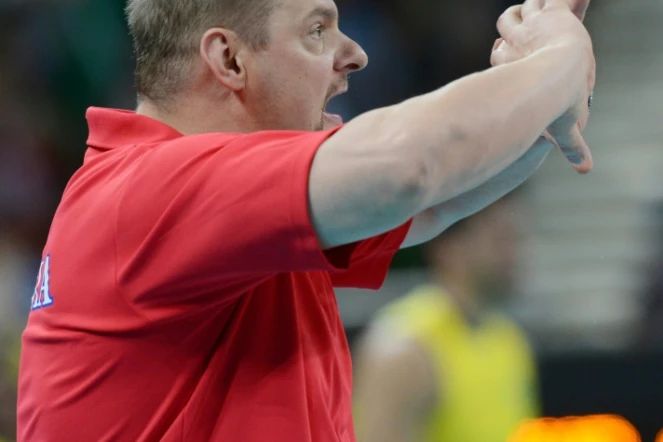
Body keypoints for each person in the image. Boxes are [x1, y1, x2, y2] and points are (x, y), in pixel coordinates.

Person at [17, 0, 596, 440]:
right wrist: (559, 58)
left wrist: (543, 104)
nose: (355, 55)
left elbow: (434, 199)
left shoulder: (224, 215)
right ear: (229, 60)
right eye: (317, 31)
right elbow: (407, 167)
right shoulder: (147, 192)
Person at [352, 198, 539, 442]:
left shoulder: (512, 342)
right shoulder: (400, 351)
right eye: (500, 239)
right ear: (449, 248)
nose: (514, 254)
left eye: (516, 239)